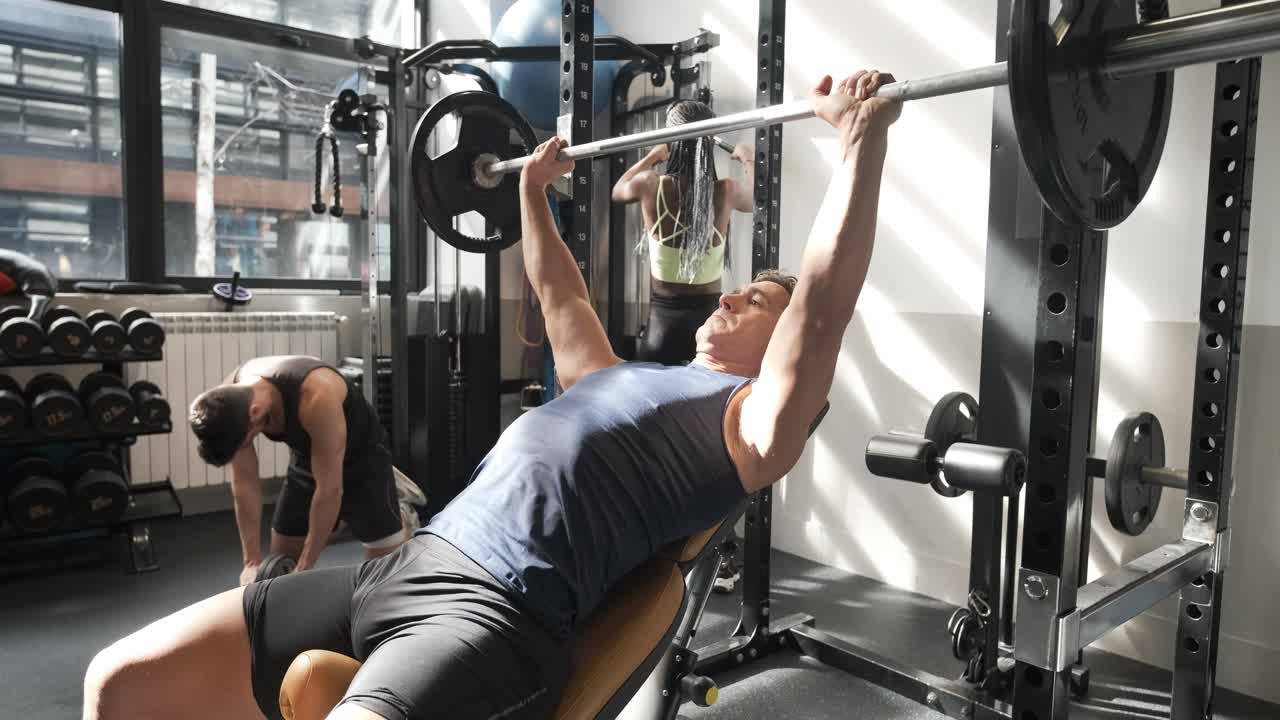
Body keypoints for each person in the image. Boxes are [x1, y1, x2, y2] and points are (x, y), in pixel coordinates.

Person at [83, 70, 901, 720]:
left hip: (495, 619)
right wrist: (528, 193)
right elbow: (561, 299)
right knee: (119, 681)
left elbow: (823, 310)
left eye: (755, 301)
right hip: (404, 566)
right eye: (737, 290)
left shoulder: (749, 425)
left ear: (778, 351)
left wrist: (860, 146)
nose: (727, 297)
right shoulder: (623, 375)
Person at [188, 355, 421, 586]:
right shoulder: (228, 404)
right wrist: (251, 562)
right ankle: (339, 522)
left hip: (364, 459)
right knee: (280, 565)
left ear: (255, 412)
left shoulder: (317, 395)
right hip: (308, 456)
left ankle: (400, 511)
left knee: (386, 576)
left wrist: (305, 567)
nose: (246, 445)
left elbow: (329, 490)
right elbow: (245, 482)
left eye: (246, 441)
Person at [612, 99, 754, 366]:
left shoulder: (650, 185)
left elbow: (619, 190)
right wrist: (748, 157)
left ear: (671, 139)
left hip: (660, 332)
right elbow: (757, 197)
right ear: (710, 142)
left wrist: (654, 154)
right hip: (709, 332)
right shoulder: (726, 191)